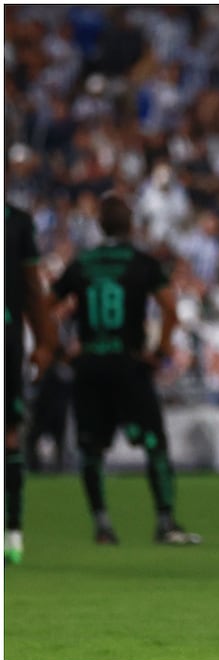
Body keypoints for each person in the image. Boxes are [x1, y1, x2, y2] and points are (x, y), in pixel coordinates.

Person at [49, 192, 201, 546]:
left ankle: (102, 524)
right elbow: (170, 309)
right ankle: (165, 521)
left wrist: (57, 350)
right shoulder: (143, 262)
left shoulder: (82, 263)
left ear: (100, 226)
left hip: (90, 364)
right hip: (129, 363)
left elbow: (45, 305)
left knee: (91, 448)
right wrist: (161, 350)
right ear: (130, 226)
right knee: (154, 443)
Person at [5, 202, 57, 564]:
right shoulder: (17, 221)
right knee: (9, 434)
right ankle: (13, 532)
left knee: (9, 433)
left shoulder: (19, 221)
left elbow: (33, 288)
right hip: (7, 335)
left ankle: (12, 531)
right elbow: (33, 288)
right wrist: (43, 341)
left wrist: (44, 341)